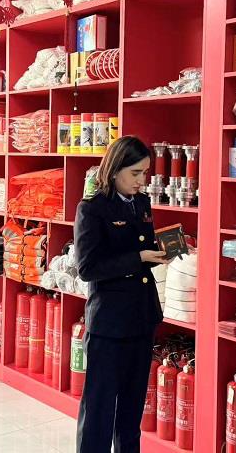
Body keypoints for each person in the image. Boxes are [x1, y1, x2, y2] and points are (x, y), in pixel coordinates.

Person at [74, 136, 169, 453]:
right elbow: (88, 268)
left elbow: (143, 249)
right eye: (135, 173)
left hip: (142, 316)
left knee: (132, 407)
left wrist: (162, 252)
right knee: (99, 409)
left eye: (145, 173)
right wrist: (138, 258)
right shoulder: (92, 209)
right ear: (115, 170)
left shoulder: (141, 203)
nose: (142, 181)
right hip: (109, 322)